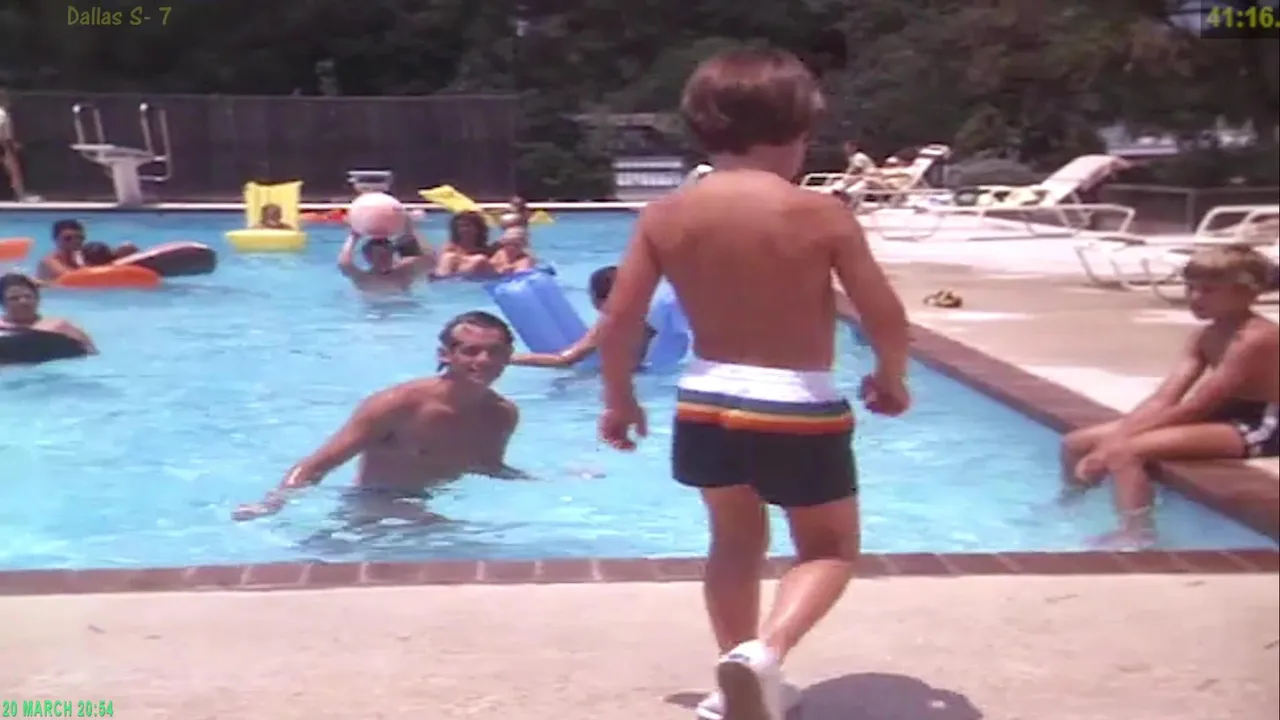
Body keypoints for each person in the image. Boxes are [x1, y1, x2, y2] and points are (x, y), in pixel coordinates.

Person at [594, 48, 911, 720]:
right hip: (795, 403)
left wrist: (619, 398)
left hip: (704, 400)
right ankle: (764, 655)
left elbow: (619, 319)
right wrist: (890, 375)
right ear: (798, 129)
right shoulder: (819, 212)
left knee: (735, 541)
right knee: (828, 548)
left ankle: (735, 679)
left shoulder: (665, 214)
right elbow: (883, 313)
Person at [1061, 245, 1279, 548]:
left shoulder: (1256, 339)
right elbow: (1164, 398)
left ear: (1246, 293)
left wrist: (1115, 444)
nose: (1195, 297)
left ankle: (1138, 532)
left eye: (1209, 290)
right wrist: (1120, 433)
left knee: (1125, 452)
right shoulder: (1204, 336)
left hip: (1263, 424)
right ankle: (1072, 504)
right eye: (1190, 288)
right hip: (1224, 414)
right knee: (1076, 443)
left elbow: (1199, 405)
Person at [233, 311, 525, 523]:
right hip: (372, 506)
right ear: (445, 355)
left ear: (508, 355)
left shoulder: (501, 414)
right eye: (471, 351)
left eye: (494, 352)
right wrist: (272, 504)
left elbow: (489, 467)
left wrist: (539, 484)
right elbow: (317, 465)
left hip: (429, 505)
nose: (484, 360)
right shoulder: (398, 405)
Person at [511, 265, 654, 369]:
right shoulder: (641, 320)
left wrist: (510, 357)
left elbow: (564, 360)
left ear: (599, 298)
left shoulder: (610, 325)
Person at [0, 272, 98, 353]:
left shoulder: (60, 327)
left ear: (37, 299)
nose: (23, 302)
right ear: (2, 303)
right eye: (14, 298)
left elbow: (91, 353)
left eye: (28, 296)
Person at [337, 230, 435, 294]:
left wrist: (411, 230)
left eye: (386, 255)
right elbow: (344, 263)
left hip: (404, 311)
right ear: (368, 257)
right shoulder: (363, 278)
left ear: (392, 254)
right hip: (373, 315)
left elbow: (431, 260)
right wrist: (353, 236)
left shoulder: (404, 272)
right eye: (378, 256)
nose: (383, 259)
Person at [434, 211, 495, 278]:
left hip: (472, 279)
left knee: (480, 260)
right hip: (446, 277)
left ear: (477, 228)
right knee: (449, 257)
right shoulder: (450, 248)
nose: (463, 229)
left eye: (467, 225)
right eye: (460, 226)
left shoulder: (485, 250)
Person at [0, 90, 32, 202]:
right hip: (2, 146)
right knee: (14, 169)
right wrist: (12, 148)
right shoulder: (3, 114)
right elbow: (6, 137)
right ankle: (21, 195)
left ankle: (20, 194)